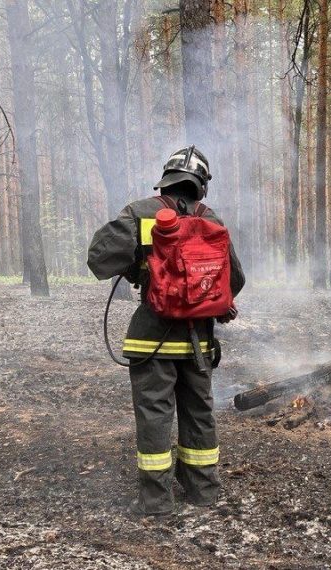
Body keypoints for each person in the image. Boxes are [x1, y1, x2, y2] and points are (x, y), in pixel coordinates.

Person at [87, 146, 245, 516]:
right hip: (198, 342)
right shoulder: (213, 219)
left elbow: (98, 258)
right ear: (201, 185)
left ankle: (157, 501)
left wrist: (139, 265)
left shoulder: (141, 212)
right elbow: (234, 279)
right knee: (199, 413)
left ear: (166, 178)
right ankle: (202, 491)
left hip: (150, 338)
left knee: (155, 416)